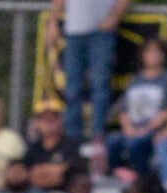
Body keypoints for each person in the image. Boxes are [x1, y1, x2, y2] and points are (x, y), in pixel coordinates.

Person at [47, 0, 130, 153]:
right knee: (72, 88)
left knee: (100, 86)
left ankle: (98, 136)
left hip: (102, 32)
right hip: (74, 31)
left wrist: (114, 17)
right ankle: (72, 138)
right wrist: (53, 22)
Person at [106, 36, 167, 183]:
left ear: (163, 55)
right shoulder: (135, 80)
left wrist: (144, 130)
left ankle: (142, 179)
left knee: (137, 144)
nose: (153, 56)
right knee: (113, 142)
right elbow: (123, 109)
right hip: (131, 130)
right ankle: (118, 177)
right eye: (149, 52)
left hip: (154, 131)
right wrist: (128, 128)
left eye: (157, 52)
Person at [23, 102, 83, 193]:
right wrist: (54, 171)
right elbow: (28, 175)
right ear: (37, 123)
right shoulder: (32, 148)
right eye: (43, 118)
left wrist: (42, 172)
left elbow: (69, 173)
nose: (48, 122)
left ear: (60, 120)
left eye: (53, 117)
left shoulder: (70, 145)